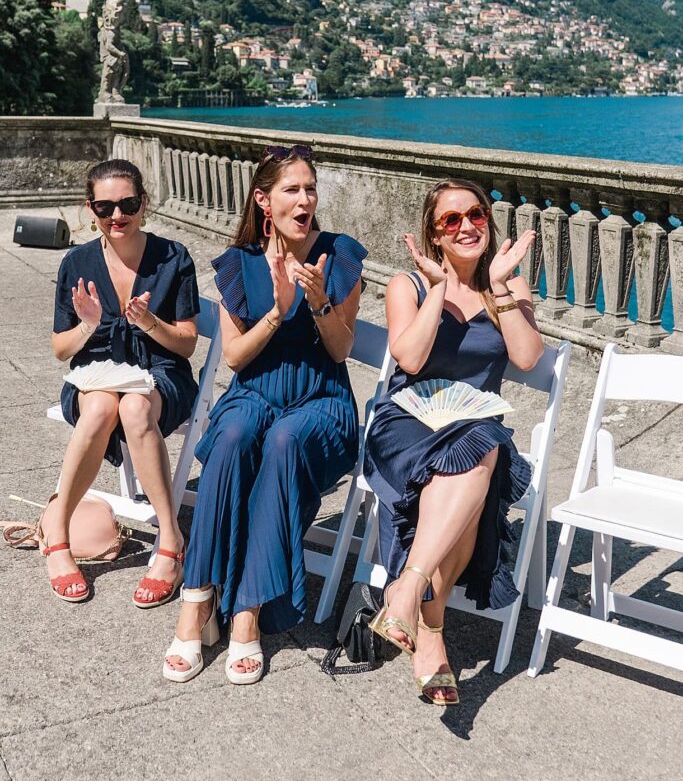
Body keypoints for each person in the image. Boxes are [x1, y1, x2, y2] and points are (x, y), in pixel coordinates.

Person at [163, 144, 367, 685]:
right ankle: (198, 598)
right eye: (292, 189)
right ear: (264, 199)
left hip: (321, 398)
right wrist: (278, 311)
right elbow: (233, 357)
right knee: (231, 437)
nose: (305, 199)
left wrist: (318, 300)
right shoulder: (240, 264)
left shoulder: (339, 255)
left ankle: (248, 612)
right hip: (254, 391)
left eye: (310, 188)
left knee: (283, 441)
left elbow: (342, 350)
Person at [364, 177, 544, 705]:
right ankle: (430, 624)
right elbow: (411, 360)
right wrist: (440, 287)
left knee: (478, 450)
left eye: (476, 216)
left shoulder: (508, 288)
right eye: (451, 220)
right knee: (476, 463)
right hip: (407, 424)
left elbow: (529, 358)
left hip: (474, 427)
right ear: (435, 233)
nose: (466, 226)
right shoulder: (408, 285)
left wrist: (502, 287)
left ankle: (409, 596)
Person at [48, 159, 200, 606]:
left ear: (143, 204)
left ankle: (170, 540)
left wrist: (150, 322)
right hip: (96, 371)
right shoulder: (76, 261)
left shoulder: (173, 257)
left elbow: (187, 344)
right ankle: (58, 532)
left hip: (159, 371)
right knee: (99, 406)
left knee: (132, 406)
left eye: (128, 203)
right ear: (90, 208)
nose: (118, 215)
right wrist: (89, 325)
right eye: (105, 206)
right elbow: (61, 348)